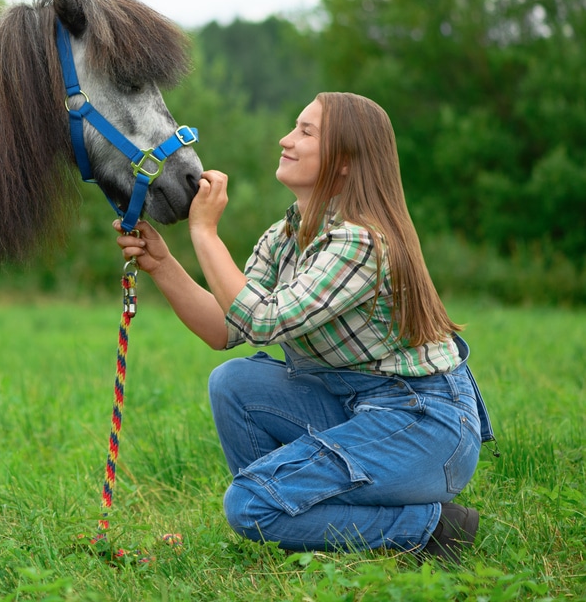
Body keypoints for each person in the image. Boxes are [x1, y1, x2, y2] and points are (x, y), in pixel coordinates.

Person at [116, 92, 493, 562]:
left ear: (345, 164)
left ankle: (432, 527)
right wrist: (164, 265)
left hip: (422, 425)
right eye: (294, 127)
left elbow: (263, 319)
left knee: (249, 506)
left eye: (305, 132)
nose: (285, 139)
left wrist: (205, 234)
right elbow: (225, 328)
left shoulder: (360, 240)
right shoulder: (286, 235)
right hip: (353, 405)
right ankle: (298, 518)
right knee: (235, 382)